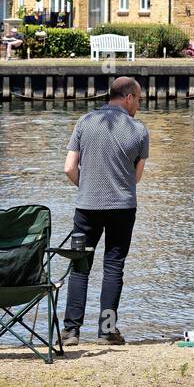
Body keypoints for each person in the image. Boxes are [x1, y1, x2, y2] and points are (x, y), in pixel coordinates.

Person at [61, 77, 149, 346]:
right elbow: (136, 176)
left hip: (87, 207)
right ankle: (106, 331)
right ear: (128, 97)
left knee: (80, 266)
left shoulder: (85, 122)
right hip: (122, 207)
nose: (139, 105)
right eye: (139, 99)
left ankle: (71, 331)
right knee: (113, 267)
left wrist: (86, 186)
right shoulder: (139, 130)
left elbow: (68, 168)